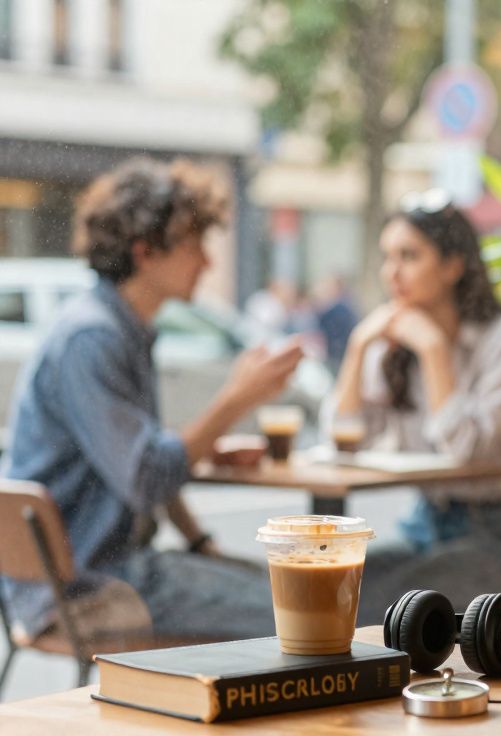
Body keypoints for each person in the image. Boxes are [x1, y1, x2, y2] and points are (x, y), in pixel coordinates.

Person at [0, 157, 304, 644]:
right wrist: (234, 400)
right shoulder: (92, 338)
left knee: (296, 590)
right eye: (193, 244)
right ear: (144, 251)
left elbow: (146, 457)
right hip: (85, 588)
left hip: (101, 567)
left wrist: (199, 540)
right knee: (302, 607)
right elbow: (146, 476)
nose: (206, 261)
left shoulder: (123, 328)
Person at [322, 188, 501, 619]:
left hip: (493, 533)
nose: (391, 273)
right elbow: (342, 439)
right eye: (387, 257)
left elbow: (468, 451)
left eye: (409, 256)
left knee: (375, 605)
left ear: (453, 266)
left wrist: (435, 351)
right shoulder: (391, 343)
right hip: (422, 523)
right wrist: (359, 347)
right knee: (329, 588)